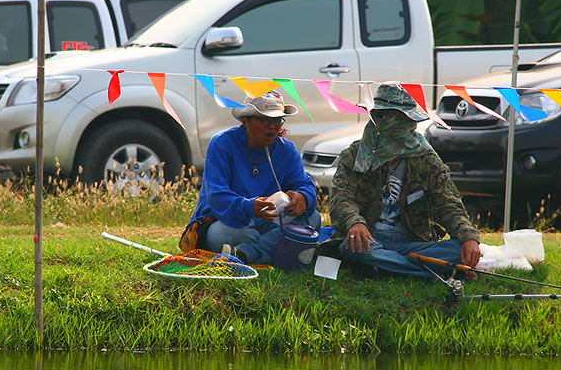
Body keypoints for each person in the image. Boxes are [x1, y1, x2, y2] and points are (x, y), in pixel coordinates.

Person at [329, 82, 481, 279]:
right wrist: (355, 223)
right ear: (379, 119)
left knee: (456, 249)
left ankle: (385, 267)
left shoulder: (426, 158)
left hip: (412, 242)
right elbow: (341, 199)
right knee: (356, 249)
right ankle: (434, 273)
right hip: (368, 239)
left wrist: (468, 237)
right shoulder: (354, 155)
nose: (406, 127)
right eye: (399, 120)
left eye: (408, 120)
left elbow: (449, 205)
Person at [188, 90, 321, 265]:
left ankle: (246, 253)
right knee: (226, 235)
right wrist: (249, 206)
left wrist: (303, 196)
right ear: (245, 120)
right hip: (227, 221)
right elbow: (216, 197)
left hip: (269, 222)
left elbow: (303, 183)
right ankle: (274, 247)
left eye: (277, 120)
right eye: (265, 120)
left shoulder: (287, 150)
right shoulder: (222, 144)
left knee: (313, 218)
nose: (272, 127)